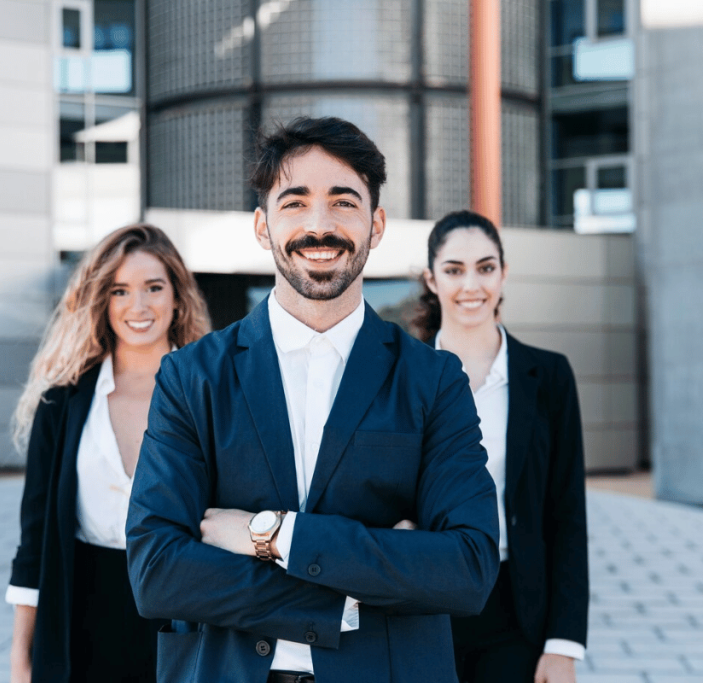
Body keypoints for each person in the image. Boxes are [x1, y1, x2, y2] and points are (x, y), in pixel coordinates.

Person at [125, 117, 501, 683]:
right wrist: (345, 597)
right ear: (262, 225)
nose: (319, 226)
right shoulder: (191, 377)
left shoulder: (433, 380)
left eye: (343, 203)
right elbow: (157, 573)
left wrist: (270, 536)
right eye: (295, 203)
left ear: (376, 225)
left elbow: (466, 569)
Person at [6, 224, 210, 683]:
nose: (138, 306)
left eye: (153, 287)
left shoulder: (213, 398)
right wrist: (21, 655)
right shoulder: (61, 404)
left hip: (184, 622)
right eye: (120, 291)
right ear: (103, 301)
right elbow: (34, 541)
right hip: (80, 624)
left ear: (177, 296)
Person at [414, 210, 589, 683]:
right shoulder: (401, 376)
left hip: (518, 609)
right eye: (454, 270)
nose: (472, 285)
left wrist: (564, 644)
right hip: (422, 602)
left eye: (485, 267)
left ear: (504, 273)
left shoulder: (549, 377)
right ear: (432, 279)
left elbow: (567, 515)